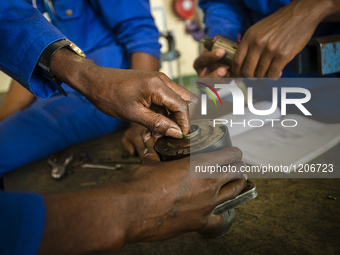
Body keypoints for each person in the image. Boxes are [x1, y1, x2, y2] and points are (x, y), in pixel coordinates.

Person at [0, 1, 247, 254]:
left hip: (100, 93)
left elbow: (140, 34)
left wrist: (131, 113)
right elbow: (25, 47)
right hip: (67, 90)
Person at [0, 0, 161, 173]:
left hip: (100, 98)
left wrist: (141, 117)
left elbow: (141, 35)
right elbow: (31, 55)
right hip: (55, 94)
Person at [194, 0, 340, 121]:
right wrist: (224, 43)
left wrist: (316, 6)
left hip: (332, 94)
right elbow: (222, 2)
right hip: (265, 96)